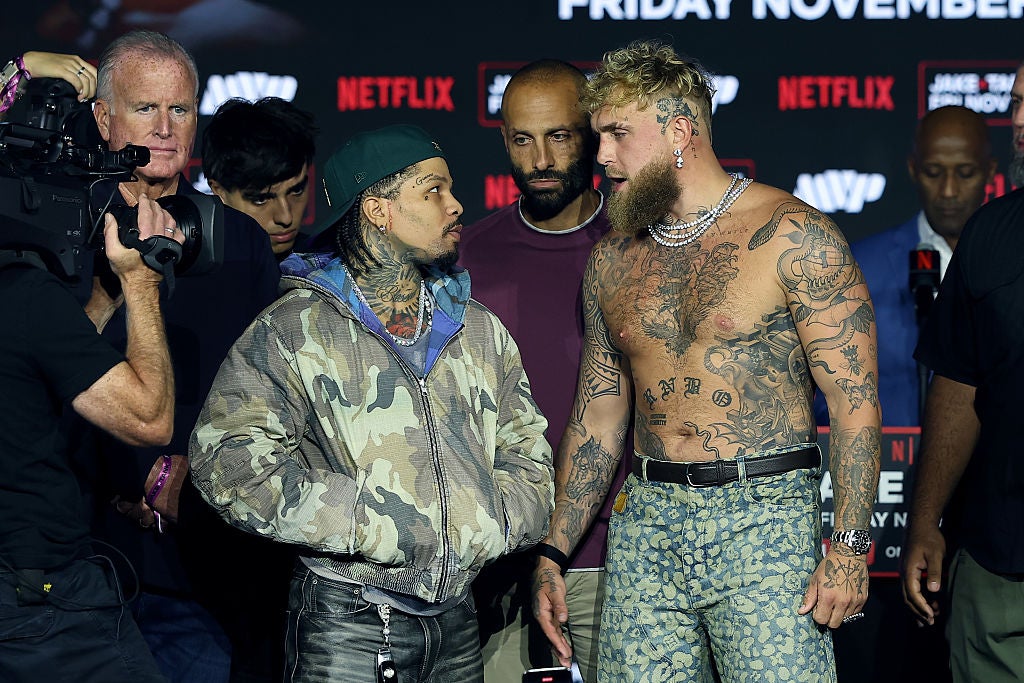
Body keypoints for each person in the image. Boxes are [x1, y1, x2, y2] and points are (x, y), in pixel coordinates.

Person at [530, 39, 881, 682]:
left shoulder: (793, 236)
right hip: (647, 525)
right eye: (599, 135)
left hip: (766, 519)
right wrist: (554, 550)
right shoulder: (613, 259)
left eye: (617, 134)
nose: (601, 155)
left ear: (679, 132)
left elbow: (853, 402)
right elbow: (599, 418)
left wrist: (851, 547)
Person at [189, 123, 555, 683]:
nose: (456, 205)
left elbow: (528, 452)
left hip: (459, 621)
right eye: (433, 191)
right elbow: (228, 459)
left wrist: (489, 520)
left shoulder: (478, 329)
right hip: (347, 624)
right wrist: (367, 521)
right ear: (379, 211)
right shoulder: (296, 329)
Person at [85, 29, 283, 683]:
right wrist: (139, 473)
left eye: (181, 109)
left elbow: (267, 392)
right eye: (146, 108)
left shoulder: (239, 241)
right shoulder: (61, 234)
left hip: (200, 571)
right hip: (81, 564)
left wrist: (191, 483)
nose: (166, 129)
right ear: (103, 118)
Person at [1, 50, 182, 683]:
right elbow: (148, 417)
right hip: (42, 601)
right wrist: (140, 281)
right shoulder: (25, 296)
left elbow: (46, 371)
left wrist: (101, 301)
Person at [459, 58, 627, 682]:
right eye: (523, 140)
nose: (542, 160)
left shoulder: (641, 246)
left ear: (591, 134)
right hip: (500, 568)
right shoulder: (466, 258)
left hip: (621, 562)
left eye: (559, 136)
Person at [902, 63, 1024, 683]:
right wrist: (926, 519)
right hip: (1001, 559)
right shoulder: (992, 233)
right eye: (1018, 103)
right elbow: (957, 384)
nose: (1020, 121)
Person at [814, 105, 995, 429]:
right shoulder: (859, 268)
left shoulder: (1012, 260)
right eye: (933, 172)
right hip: (888, 458)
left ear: (990, 171)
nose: (949, 190)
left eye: (965, 173)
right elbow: (822, 400)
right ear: (913, 169)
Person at [202, 96, 318, 259]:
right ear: (219, 192)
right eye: (261, 200)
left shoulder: (333, 266)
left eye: (296, 191)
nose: (286, 218)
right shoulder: (187, 270)